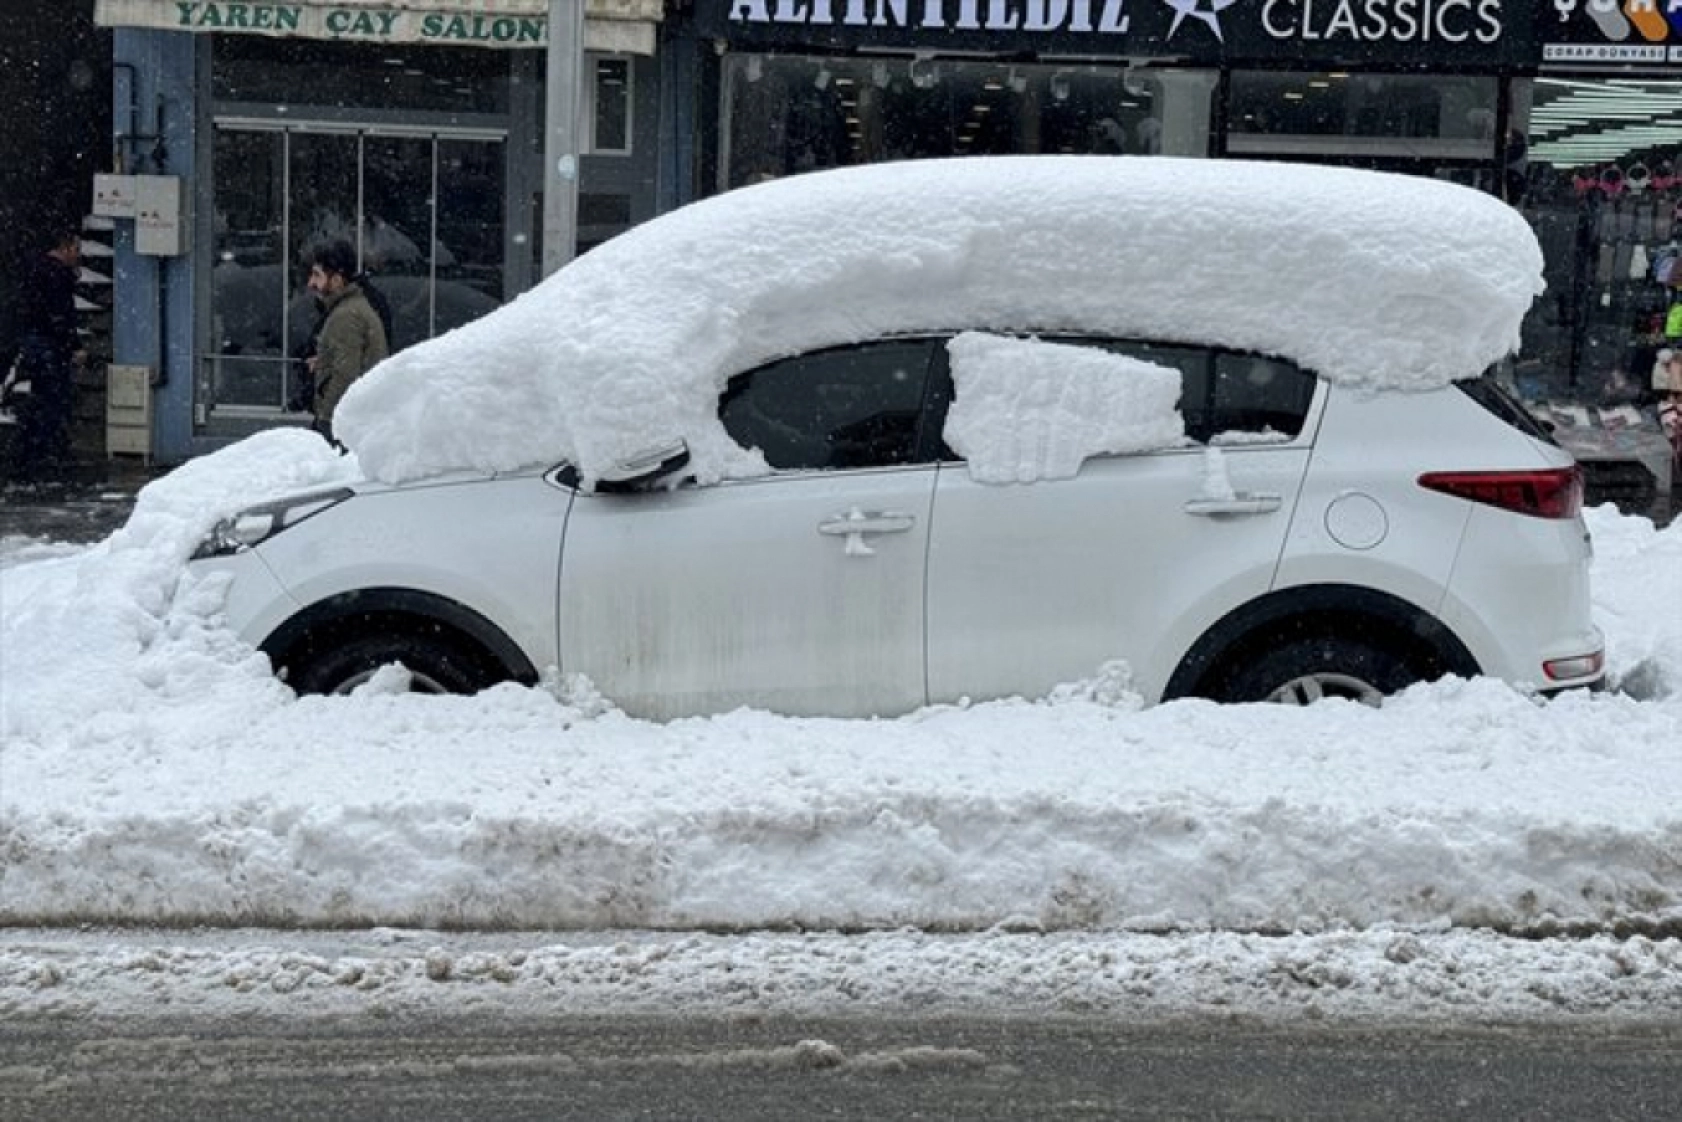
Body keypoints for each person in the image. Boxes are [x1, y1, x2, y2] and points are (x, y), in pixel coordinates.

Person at [7, 227, 85, 482]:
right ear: (64, 247)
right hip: (50, 345)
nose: (78, 255)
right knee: (52, 399)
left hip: (36, 341)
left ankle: (29, 454)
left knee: (42, 397)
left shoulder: (37, 271)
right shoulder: (57, 276)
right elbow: (61, 314)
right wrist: (73, 345)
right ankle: (41, 454)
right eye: (75, 249)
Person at [304, 239, 388, 446]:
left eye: (317, 275)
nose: (311, 283)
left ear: (337, 279)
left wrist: (326, 420)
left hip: (342, 423)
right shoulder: (351, 309)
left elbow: (346, 374)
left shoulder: (346, 316)